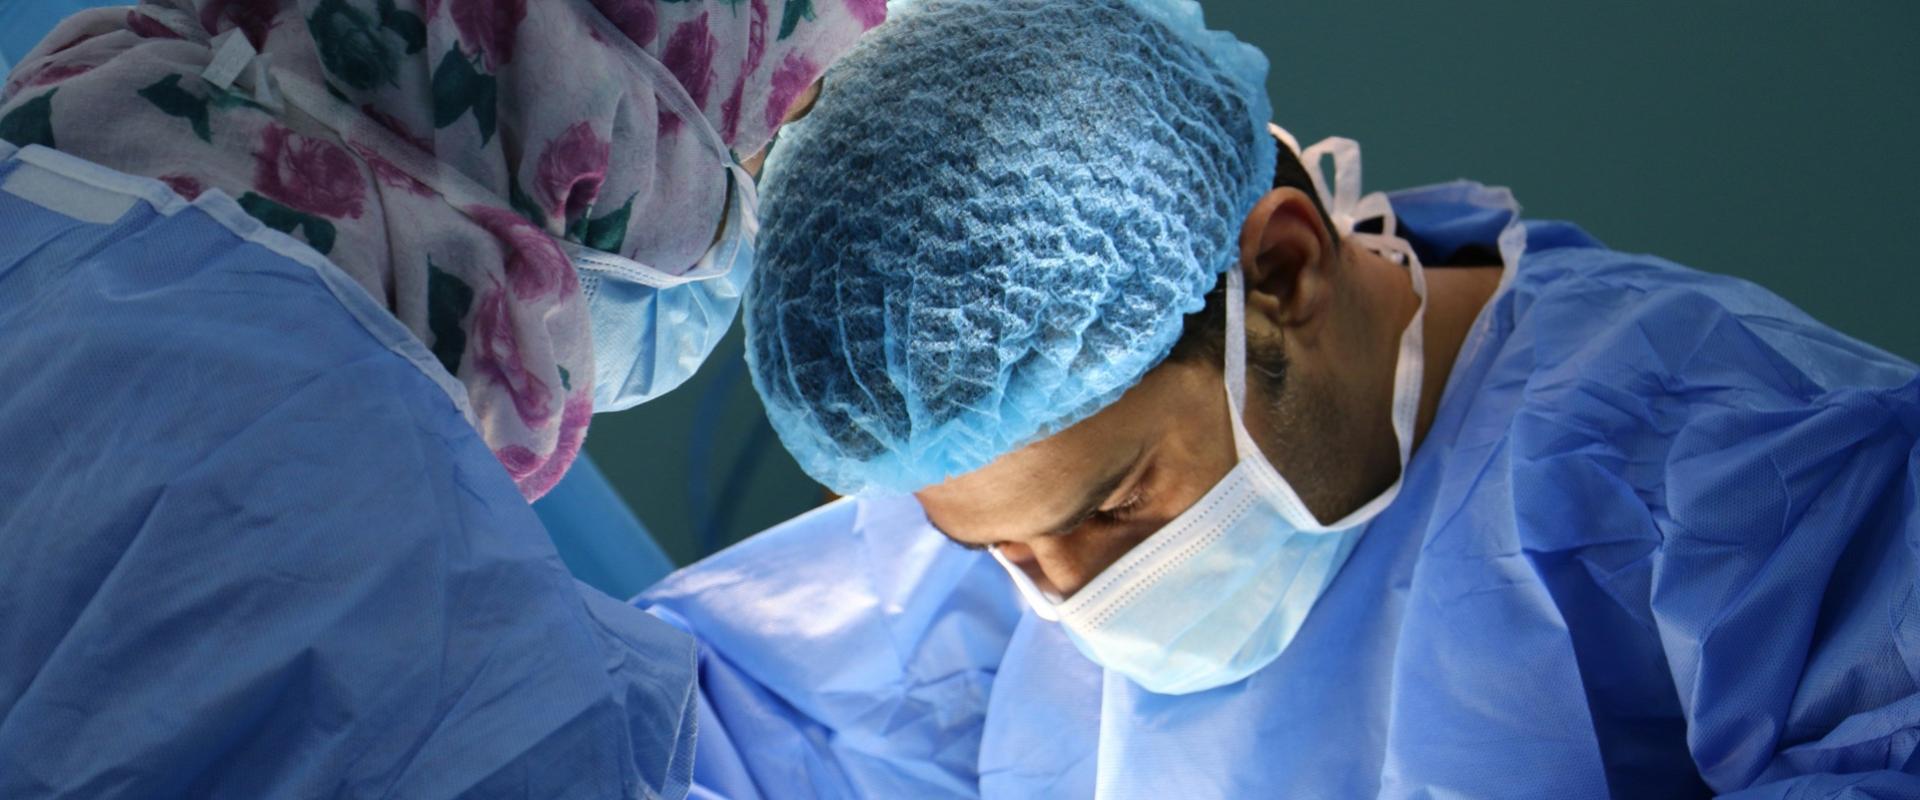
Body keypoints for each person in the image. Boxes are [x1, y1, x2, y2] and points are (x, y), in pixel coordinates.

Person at [639, 0, 1920, 796]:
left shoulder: (1737, 460)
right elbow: (681, 740)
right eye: (1004, 554)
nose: (1074, 599)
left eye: (1120, 508)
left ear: (1285, 273)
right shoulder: (1005, 517)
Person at [0, 1, 879, 796]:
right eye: (763, 148)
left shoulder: (48, 182)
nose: (750, 223)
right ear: (586, 98)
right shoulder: (386, 565)